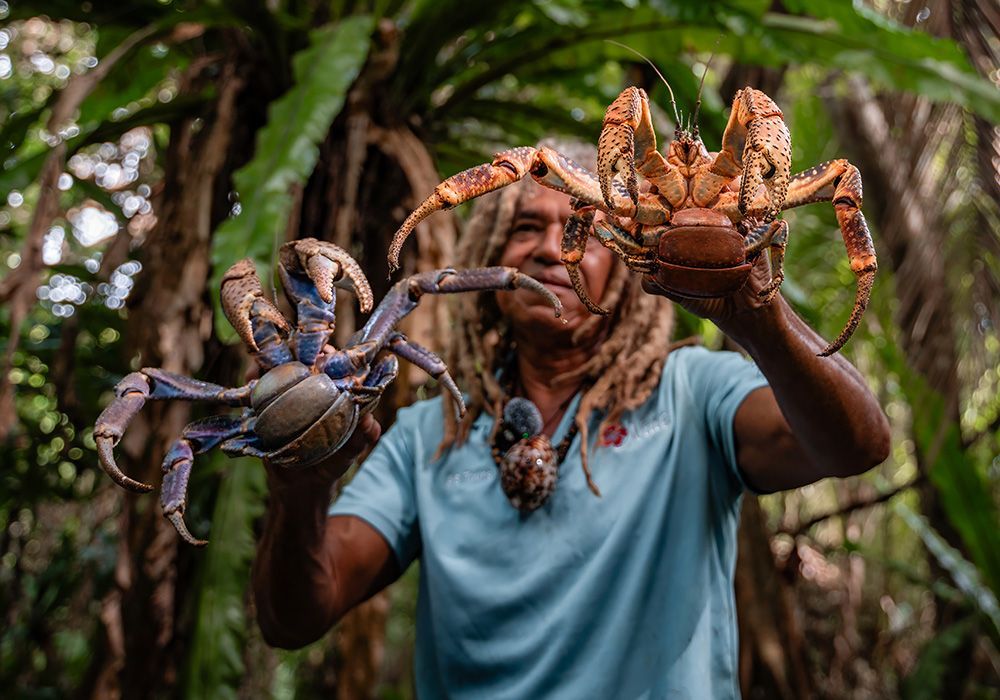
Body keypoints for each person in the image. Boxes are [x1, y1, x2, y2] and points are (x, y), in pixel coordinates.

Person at [251, 140, 890, 699]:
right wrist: (300, 486)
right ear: (485, 253)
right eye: (524, 225)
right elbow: (294, 618)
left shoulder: (692, 394)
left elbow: (858, 445)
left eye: (579, 223)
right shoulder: (428, 436)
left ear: (621, 255)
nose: (553, 248)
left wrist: (761, 318)